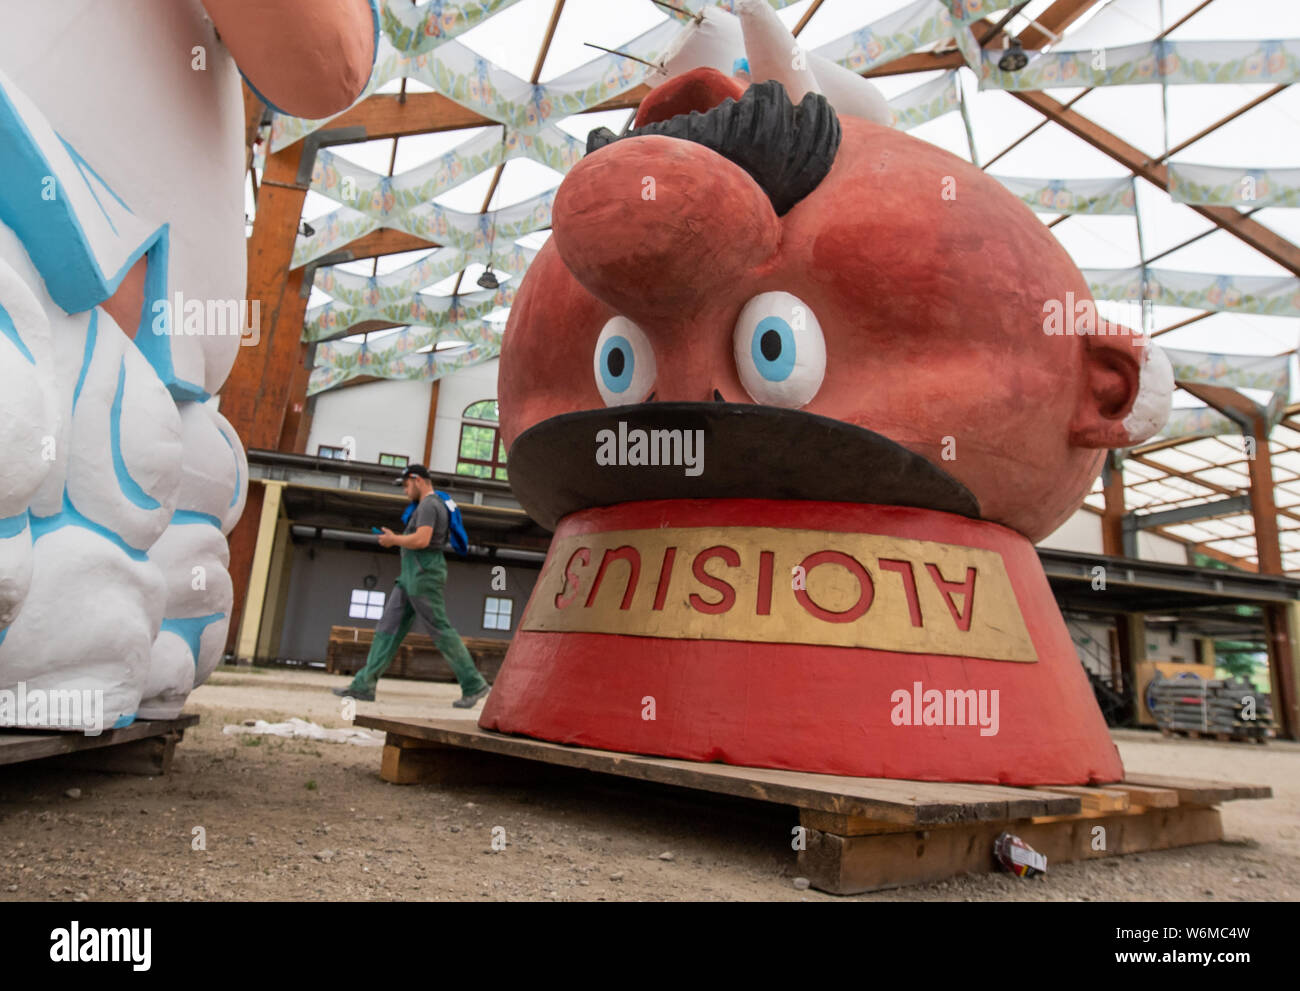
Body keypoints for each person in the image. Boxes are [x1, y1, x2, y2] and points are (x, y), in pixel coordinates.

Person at [333, 465, 491, 708]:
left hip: (423, 573)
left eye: (406, 485)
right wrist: (396, 537)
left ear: (417, 480)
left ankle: (474, 684)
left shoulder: (429, 504)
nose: (405, 490)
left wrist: (394, 539)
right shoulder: (428, 505)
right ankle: (363, 685)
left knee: (440, 628)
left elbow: (422, 539)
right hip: (410, 575)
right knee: (387, 628)